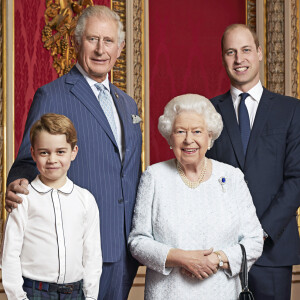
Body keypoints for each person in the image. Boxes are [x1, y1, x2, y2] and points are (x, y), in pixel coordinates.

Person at [5, 5, 142, 300]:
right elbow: (28, 163)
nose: (100, 49)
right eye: (92, 39)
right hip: (78, 251)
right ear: (77, 42)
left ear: (120, 48)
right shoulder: (52, 95)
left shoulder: (128, 106)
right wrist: (16, 183)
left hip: (125, 251)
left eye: (108, 41)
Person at [128, 94, 263, 300]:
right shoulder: (154, 177)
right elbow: (138, 241)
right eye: (180, 131)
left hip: (221, 292)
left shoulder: (232, 176)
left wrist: (217, 259)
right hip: (168, 293)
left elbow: (254, 240)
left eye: (197, 131)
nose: (188, 139)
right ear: (170, 138)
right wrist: (183, 258)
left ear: (209, 137)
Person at [206, 23, 300, 300]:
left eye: (246, 50)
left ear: (259, 53)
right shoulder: (208, 111)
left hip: (273, 248)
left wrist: (260, 233)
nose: (239, 59)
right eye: (231, 52)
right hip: (221, 251)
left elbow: (297, 178)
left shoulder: (291, 110)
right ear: (223, 58)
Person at [1, 113, 102, 300]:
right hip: (34, 293)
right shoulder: (24, 199)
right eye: (44, 152)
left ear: (74, 152)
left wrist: (90, 297)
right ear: (33, 153)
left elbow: (92, 256)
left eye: (60, 152)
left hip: (76, 293)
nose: (52, 159)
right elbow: (10, 255)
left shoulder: (85, 199)